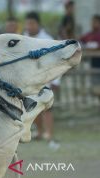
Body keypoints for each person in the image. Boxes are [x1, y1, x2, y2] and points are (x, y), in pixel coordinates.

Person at [24, 12, 60, 145]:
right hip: (29, 79)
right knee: (33, 108)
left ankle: (49, 133)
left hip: (46, 78)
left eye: (32, 23)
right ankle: (39, 131)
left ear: (38, 24)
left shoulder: (47, 39)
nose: (29, 26)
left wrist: (56, 80)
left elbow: (56, 61)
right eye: (27, 23)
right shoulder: (23, 38)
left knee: (47, 108)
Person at [80, 15, 100, 85]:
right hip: (93, 62)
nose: (92, 24)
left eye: (95, 22)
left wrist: (91, 48)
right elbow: (80, 41)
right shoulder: (89, 34)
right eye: (92, 22)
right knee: (95, 84)